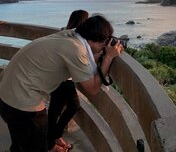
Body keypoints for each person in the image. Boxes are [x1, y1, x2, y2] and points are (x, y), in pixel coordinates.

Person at [0, 15, 123, 152]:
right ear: (94, 40)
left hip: (6, 95)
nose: (105, 46)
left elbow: (83, 57)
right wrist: (109, 57)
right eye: (104, 42)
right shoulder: (76, 50)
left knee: (20, 145)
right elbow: (93, 89)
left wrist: (99, 54)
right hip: (22, 104)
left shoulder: (69, 35)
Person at [47, 10, 90, 151]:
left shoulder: (63, 31)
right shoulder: (79, 36)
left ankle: (54, 138)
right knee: (71, 106)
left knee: (55, 109)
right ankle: (52, 140)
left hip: (56, 76)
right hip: (65, 79)